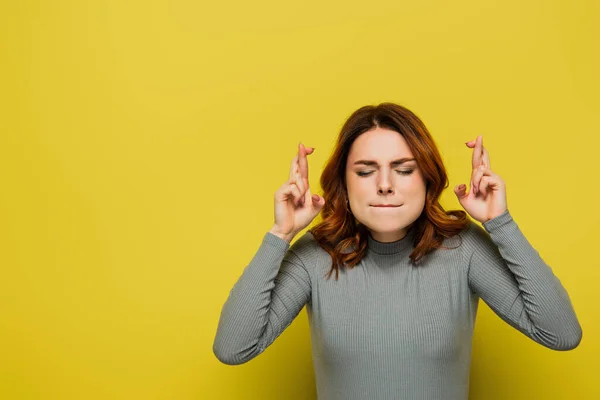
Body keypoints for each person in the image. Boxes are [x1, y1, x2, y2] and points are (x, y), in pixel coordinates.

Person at [212, 102, 582, 400]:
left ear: (427, 178)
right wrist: (282, 233)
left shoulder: (462, 247)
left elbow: (561, 334)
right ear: (343, 182)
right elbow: (234, 348)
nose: (385, 185)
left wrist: (499, 222)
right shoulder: (316, 255)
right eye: (365, 171)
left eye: (404, 170)